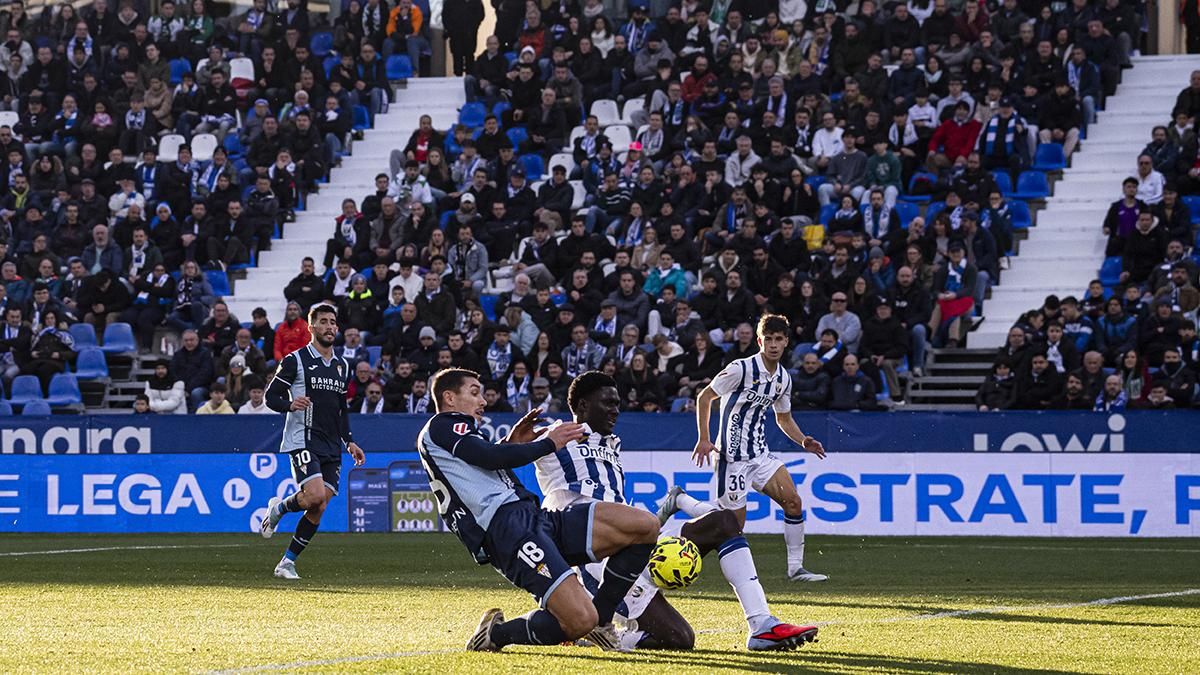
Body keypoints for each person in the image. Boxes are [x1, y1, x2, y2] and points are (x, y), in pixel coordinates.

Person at [535, 371, 819, 651]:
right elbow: (504, 457)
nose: (616, 410)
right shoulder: (554, 439)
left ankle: (762, 625)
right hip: (599, 566)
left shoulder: (610, 444)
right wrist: (519, 440)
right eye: (608, 403)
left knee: (724, 521)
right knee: (680, 640)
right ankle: (593, 634)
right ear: (583, 406)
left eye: (617, 403)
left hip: (634, 544)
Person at [416, 368, 658, 652]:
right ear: (449, 398)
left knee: (645, 526)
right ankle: (499, 633)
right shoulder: (442, 424)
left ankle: (603, 621)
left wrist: (511, 444)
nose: (482, 401)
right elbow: (488, 457)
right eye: (474, 392)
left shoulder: (458, 435)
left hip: (532, 517)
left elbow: (486, 463)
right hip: (507, 531)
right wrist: (547, 444)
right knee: (580, 620)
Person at [691, 314, 828, 582]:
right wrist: (704, 438)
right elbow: (705, 396)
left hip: (760, 456)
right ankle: (682, 505)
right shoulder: (740, 369)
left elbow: (783, 418)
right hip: (732, 459)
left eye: (779, 339)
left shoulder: (783, 379)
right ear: (759, 341)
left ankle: (795, 569)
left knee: (793, 502)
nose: (774, 345)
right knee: (731, 527)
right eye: (769, 339)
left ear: (786, 342)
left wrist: (803, 441)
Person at [258, 304, 368, 580]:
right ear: (311, 327)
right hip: (302, 438)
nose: (330, 327)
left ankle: (286, 562)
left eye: (333, 322)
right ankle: (280, 509)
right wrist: (290, 403)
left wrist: (350, 441)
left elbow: (341, 408)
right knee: (316, 496)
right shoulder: (295, 360)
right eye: (323, 322)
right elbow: (270, 397)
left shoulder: (343, 365)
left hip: (332, 443)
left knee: (319, 504)